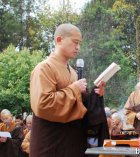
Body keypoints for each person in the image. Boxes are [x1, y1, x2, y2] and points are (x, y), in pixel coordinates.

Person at [29, 23, 107, 157]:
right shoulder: (44, 68)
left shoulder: (73, 72)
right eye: (75, 42)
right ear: (59, 40)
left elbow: (78, 104)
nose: (78, 47)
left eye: (80, 43)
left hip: (72, 140)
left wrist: (95, 95)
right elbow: (43, 104)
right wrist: (74, 89)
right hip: (50, 141)